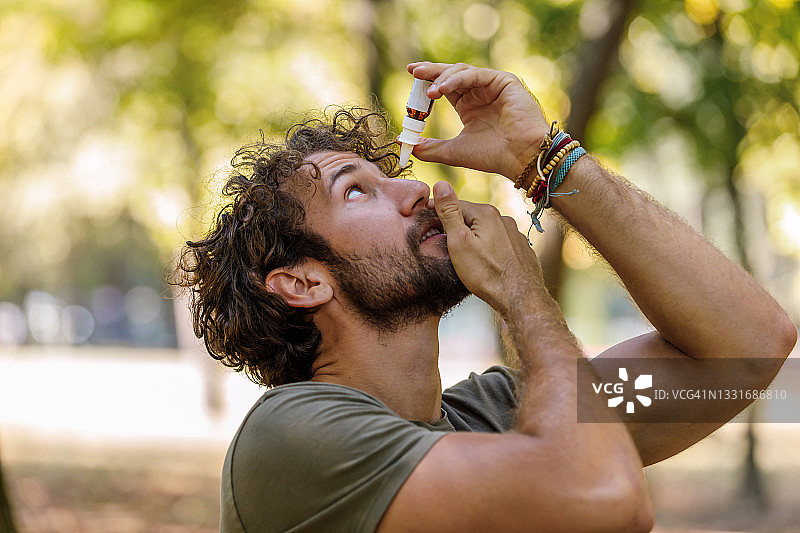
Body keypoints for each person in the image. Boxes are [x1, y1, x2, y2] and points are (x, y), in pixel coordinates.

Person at [173, 62, 796, 533]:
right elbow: (605, 498)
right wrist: (525, 297)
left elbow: (748, 345)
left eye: (392, 175)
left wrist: (543, 159)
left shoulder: (499, 415)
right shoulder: (291, 438)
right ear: (304, 282)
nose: (415, 192)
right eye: (357, 191)